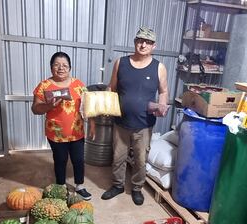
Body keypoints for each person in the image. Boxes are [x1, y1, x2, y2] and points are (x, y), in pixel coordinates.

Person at [99, 27, 168, 206]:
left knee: (140, 159)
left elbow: (164, 91)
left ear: (154, 46)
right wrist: (106, 104)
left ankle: (137, 188)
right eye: (140, 40)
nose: (143, 44)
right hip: (121, 122)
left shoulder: (159, 67)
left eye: (148, 42)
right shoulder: (120, 62)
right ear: (135, 41)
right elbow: (111, 87)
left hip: (144, 124)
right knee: (118, 157)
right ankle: (118, 185)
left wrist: (162, 104)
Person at [32, 52, 91, 200]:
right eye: (56, 65)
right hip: (56, 133)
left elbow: (88, 106)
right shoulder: (44, 86)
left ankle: (80, 185)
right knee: (60, 160)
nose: (61, 68)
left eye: (65, 65)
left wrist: (94, 124)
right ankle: (61, 187)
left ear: (70, 67)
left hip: (77, 131)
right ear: (51, 67)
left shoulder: (78, 84)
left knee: (78, 159)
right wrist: (48, 106)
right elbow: (35, 109)